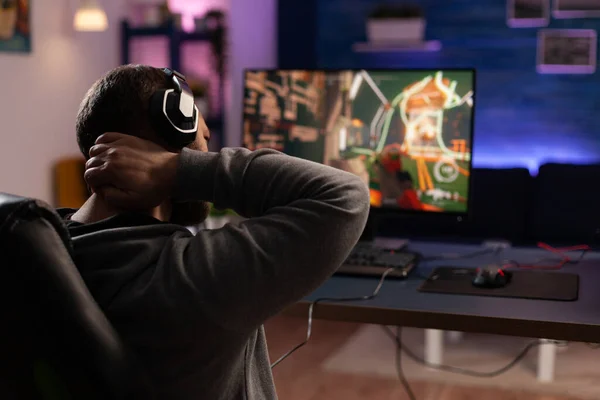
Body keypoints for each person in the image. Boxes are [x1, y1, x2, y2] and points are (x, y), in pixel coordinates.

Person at [58, 64, 370, 399]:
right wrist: (177, 170)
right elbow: (345, 196)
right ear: (175, 128)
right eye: (201, 130)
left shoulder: (41, 247)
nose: (208, 140)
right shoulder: (190, 277)